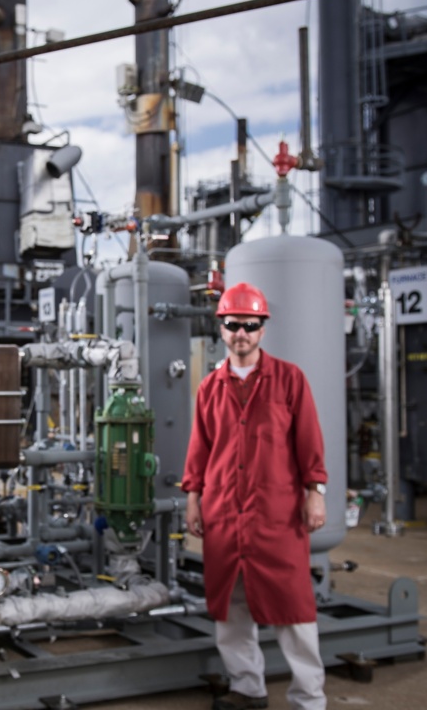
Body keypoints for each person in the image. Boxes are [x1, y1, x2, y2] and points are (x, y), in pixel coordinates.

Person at [182, 282, 328, 710]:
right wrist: (193, 498)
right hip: (224, 513)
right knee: (230, 608)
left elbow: (310, 443)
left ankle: (309, 698)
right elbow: (200, 449)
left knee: (294, 609)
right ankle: (247, 688)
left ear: (262, 329)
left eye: (249, 325)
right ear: (221, 329)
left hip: (278, 514)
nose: (240, 333)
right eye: (233, 325)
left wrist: (315, 492)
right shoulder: (210, 387)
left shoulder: (289, 380)